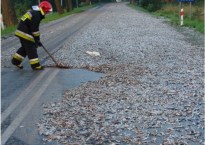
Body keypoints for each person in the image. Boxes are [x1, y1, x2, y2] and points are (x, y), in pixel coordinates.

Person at [11, 1, 53, 70]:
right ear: (43, 10)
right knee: (31, 48)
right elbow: (35, 29)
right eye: (47, 12)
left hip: (21, 31)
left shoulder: (35, 13)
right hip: (25, 32)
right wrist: (37, 39)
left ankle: (16, 61)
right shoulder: (37, 15)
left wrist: (37, 40)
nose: (47, 14)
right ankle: (35, 65)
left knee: (25, 48)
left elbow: (32, 27)